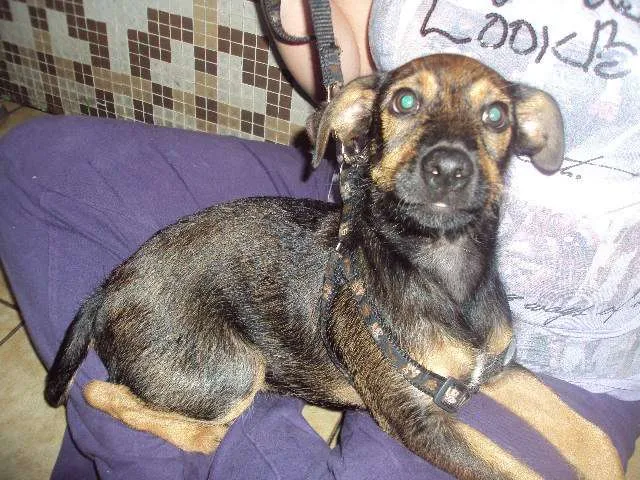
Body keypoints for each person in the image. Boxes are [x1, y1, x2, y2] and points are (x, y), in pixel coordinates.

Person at [0, 1, 638, 479]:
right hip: (221, 315)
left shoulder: (491, 317)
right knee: (29, 160)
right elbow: (417, 419)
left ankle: (148, 429)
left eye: (492, 113)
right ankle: (154, 405)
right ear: (359, 118)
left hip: (589, 349)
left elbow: (490, 371)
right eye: (406, 105)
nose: (449, 153)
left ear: (528, 129)